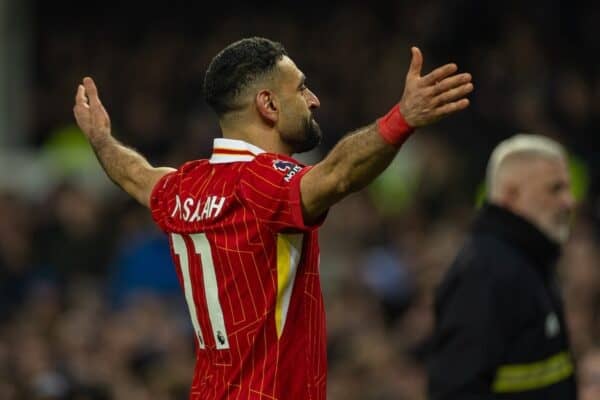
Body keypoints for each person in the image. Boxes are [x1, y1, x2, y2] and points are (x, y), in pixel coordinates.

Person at [73, 37, 473, 400]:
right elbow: (338, 175)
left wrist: (102, 140)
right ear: (268, 105)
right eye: (300, 87)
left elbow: (134, 175)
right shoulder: (263, 182)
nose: (313, 99)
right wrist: (402, 118)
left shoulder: (183, 186)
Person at [428, 134, 577, 399]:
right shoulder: (484, 273)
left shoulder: (528, 260)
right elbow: (456, 390)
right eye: (555, 189)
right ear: (511, 195)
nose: (569, 202)